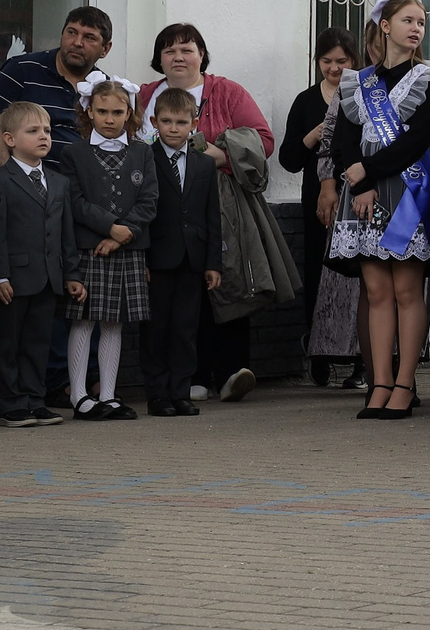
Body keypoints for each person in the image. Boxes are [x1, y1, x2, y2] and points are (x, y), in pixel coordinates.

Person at [133, 25, 280, 404]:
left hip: (218, 202)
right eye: (169, 51)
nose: (178, 57)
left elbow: (263, 140)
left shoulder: (226, 91)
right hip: (162, 209)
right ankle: (191, 376)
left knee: (224, 278)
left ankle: (231, 370)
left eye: (187, 49)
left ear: (202, 55)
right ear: (158, 59)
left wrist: (217, 152)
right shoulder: (145, 96)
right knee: (181, 289)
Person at [333, 0, 430, 421]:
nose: (416, 28)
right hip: (362, 194)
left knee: (406, 290)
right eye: (408, 20)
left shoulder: (427, 78)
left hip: (405, 191)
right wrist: (357, 180)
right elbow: (342, 138)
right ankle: (380, 381)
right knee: (376, 291)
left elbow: (417, 140)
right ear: (385, 26)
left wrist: (369, 174)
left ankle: (405, 383)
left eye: (422, 22)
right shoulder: (356, 82)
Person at [0, 100, 83, 429]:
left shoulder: (58, 182)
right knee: (8, 342)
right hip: (13, 278)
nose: (44, 136)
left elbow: (66, 232)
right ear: (9, 139)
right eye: (33, 131)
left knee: (38, 342)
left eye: (47, 130)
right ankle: (11, 404)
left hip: (48, 278)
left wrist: (71, 273)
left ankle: (34, 400)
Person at [65, 80, 155, 421]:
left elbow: (150, 200)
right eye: (102, 111)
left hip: (127, 249)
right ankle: (78, 395)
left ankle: (107, 394)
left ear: (129, 112)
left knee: (115, 323)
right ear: (89, 110)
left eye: (117, 112)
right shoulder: (75, 152)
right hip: (90, 248)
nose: (109, 118)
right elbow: (75, 201)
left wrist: (123, 234)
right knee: (84, 320)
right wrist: (109, 227)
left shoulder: (142, 152)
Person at [281, 29, 362, 390]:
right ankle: (319, 354)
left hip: (358, 194)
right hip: (319, 201)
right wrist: (315, 135)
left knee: (358, 277)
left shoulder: (364, 95)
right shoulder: (306, 100)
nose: (333, 68)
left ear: (354, 61)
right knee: (318, 272)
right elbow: (288, 160)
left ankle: (361, 359)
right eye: (326, 61)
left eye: (341, 61)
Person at [142, 89, 222, 421]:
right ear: (154, 122)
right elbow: (143, 211)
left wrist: (213, 263)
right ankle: (158, 394)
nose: (174, 129)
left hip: (193, 257)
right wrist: (142, 257)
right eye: (166, 122)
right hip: (158, 257)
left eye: (181, 122)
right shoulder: (145, 158)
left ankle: (181, 390)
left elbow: (212, 215)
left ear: (193, 124)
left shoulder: (204, 163)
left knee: (186, 328)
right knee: (157, 327)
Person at [0, 6, 112, 171]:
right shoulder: (22, 69)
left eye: (89, 37)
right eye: (71, 32)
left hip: (83, 189)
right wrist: (12, 179)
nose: (77, 43)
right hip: (31, 188)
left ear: (105, 49)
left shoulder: (106, 88)